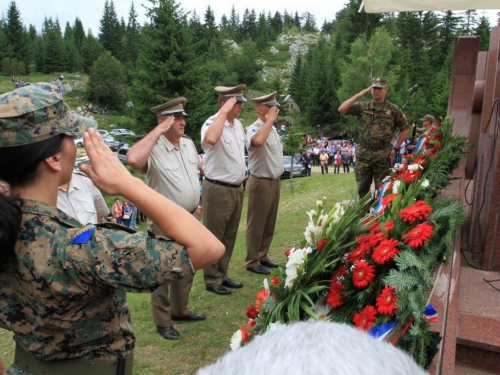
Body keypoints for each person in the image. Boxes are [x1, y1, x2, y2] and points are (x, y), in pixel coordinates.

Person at [0, 83, 224, 375]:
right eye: (70, 136)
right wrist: (127, 183)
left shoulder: (9, 227)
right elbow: (208, 248)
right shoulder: (81, 246)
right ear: (54, 159)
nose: (76, 143)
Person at [127, 97, 206, 341]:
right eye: (177, 118)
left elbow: (193, 176)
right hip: (165, 219)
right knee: (162, 269)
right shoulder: (152, 148)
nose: (183, 122)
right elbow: (133, 160)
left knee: (188, 265)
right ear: (164, 121)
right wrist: (158, 130)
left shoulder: (188, 144)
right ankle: (163, 321)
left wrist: (198, 202)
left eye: (183, 117)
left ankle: (180, 310)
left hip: (191, 215)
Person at [200, 85, 247, 295]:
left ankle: (223, 274)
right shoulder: (212, 123)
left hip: (236, 188)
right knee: (214, 236)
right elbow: (210, 139)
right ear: (224, 103)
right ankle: (212, 279)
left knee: (229, 235)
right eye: (237, 102)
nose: (241, 106)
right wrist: (223, 113)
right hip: (217, 188)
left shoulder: (238, 125)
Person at [338, 77, 409, 198]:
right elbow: (342, 109)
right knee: (362, 189)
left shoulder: (393, 110)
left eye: (380, 88)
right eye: (374, 88)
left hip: (383, 154)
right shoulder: (363, 107)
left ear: (385, 90)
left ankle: (380, 215)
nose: (377, 90)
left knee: (383, 189)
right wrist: (358, 95)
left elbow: (405, 129)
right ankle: (364, 215)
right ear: (371, 90)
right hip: (364, 153)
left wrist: (396, 148)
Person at [245, 91, 283, 276]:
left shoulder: (273, 129)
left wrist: (270, 123)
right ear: (261, 110)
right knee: (257, 224)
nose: (275, 111)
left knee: (269, 222)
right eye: (271, 108)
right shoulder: (254, 128)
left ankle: (263, 255)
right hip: (261, 181)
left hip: (275, 181)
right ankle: (252, 260)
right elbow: (257, 142)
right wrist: (268, 122)